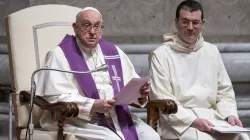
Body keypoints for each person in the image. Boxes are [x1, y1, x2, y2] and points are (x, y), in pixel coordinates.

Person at [36, 7, 160, 140]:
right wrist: (92, 106)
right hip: (78, 119)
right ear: (75, 27)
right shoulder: (59, 54)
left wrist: (140, 94)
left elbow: (131, 84)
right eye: (86, 26)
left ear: (102, 28)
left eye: (97, 26)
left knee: (152, 137)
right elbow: (55, 97)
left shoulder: (114, 52)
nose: (92, 32)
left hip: (117, 116)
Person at [148, 0, 250, 140]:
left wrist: (230, 115)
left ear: (203, 23)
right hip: (178, 123)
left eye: (195, 22)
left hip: (213, 118)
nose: (190, 27)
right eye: (185, 22)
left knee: (241, 137)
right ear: (176, 21)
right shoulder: (160, 55)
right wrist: (192, 121)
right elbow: (162, 97)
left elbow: (224, 92)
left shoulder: (212, 51)